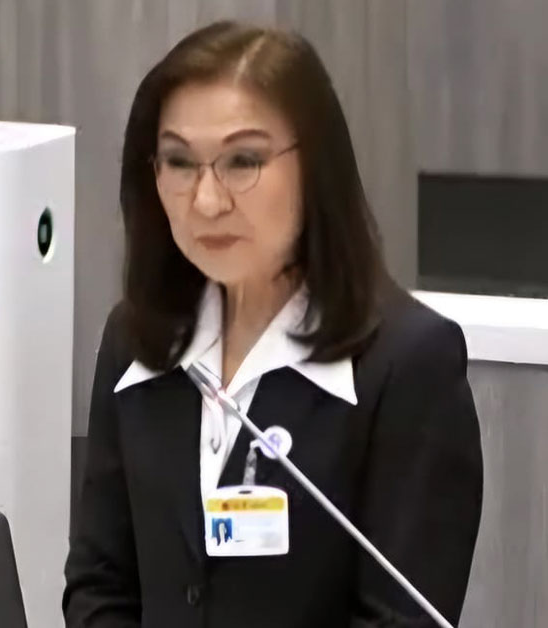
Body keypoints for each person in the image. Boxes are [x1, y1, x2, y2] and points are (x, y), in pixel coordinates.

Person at [63, 20, 483, 628]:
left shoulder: (409, 364)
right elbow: (99, 585)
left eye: (243, 161)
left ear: (315, 168)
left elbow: (403, 620)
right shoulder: (137, 339)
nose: (207, 201)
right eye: (179, 162)